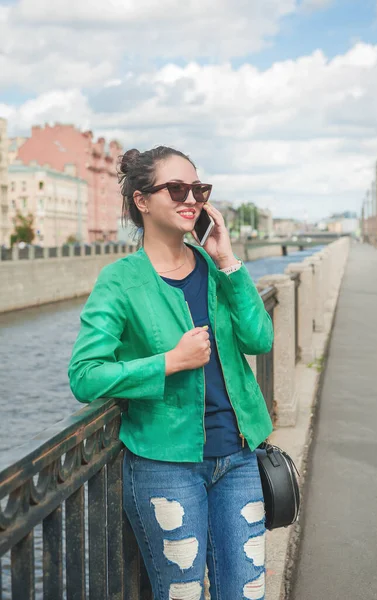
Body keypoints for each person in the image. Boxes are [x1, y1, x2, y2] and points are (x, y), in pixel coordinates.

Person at [68, 146, 274, 600]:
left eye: (198, 189)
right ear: (142, 201)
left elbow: (260, 340)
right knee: (183, 595)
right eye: (177, 189)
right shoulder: (120, 281)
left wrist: (229, 262)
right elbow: (84, 375)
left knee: (248, 592)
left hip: (238, 458)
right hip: (166, 466)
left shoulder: (215, 270)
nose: (191, 199)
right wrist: (169, 362)